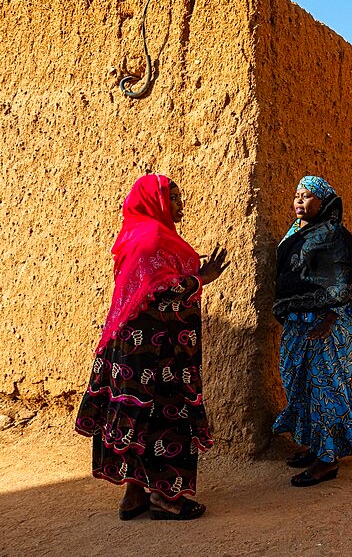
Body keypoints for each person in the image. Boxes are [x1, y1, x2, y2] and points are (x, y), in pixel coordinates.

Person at [75, 174, 229, 521]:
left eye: (179, 196)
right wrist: (201, 278)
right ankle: (165, 499)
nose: (179, 204)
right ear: (155, 202)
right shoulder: (153, 239)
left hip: (131, 349)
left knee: (137, 415)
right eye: (172, 197)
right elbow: (160, 291)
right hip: (157, 353)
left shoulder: (135, 236)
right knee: (164, 414)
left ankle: (134, 496)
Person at [273, 176, 352, 487]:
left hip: (329, 327)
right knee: (298, 382)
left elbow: (350, 283)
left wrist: (329, 318)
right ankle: (317, 446)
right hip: (299, 323)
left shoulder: (336, 236)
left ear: (324, 203)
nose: (299, 201)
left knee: (326, 390)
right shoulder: (296, 232)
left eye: (307, 196)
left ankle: (327, 461)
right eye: (296, 195)